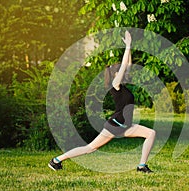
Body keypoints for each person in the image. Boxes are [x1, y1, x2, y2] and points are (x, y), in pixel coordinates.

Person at [48, 31, 156, 173]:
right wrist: (128, 47)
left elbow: (127, 66)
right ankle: (56, 160)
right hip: (116, 125)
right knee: (90, 148)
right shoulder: (115, 84)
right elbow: (124, 67)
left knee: (151, 133)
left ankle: (142, 166)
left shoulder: (121, 85)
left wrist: (129, 46)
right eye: (120, 71)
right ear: (116, 74)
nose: (125, 72)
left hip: (126, 125)